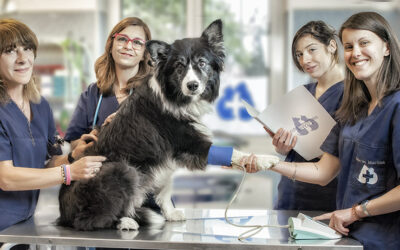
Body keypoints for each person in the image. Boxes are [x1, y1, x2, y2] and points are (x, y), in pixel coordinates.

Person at [241, 12, 400, 250]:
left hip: (383, 237)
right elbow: (323, 170)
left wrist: (357, 211)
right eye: (349, 46)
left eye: (364, 43)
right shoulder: (353, 109)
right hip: (348, 235)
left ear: (386, 47)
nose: (355, 53)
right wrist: (268, 163)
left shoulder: (395, 106)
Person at [63, 17, 235, 212]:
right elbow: (73, 142)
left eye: (137, 42)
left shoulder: (160, 92)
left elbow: (183, 145)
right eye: (122, 39)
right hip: (110, 198)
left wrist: (227, 157)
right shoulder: (92, 94)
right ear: (111, 43)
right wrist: (87, 144)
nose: (129, 46)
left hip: (153, 200)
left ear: (147, 53)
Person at [0, 19, 106, 232]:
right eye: (10, 51)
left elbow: (46, 162)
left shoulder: (40, 106)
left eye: (28, 49)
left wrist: (72, 157)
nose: (23, 59)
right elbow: (6, 178)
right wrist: (70, 172)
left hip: (22, 226)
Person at [271, 21, 344, 211]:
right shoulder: (304, 92)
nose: (305, 60)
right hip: (289, 193)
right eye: (299, 54)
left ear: (332, 46)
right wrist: (283, 147)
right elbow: (297, 148)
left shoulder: (351, 95)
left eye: (312, 50)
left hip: (324, 198)